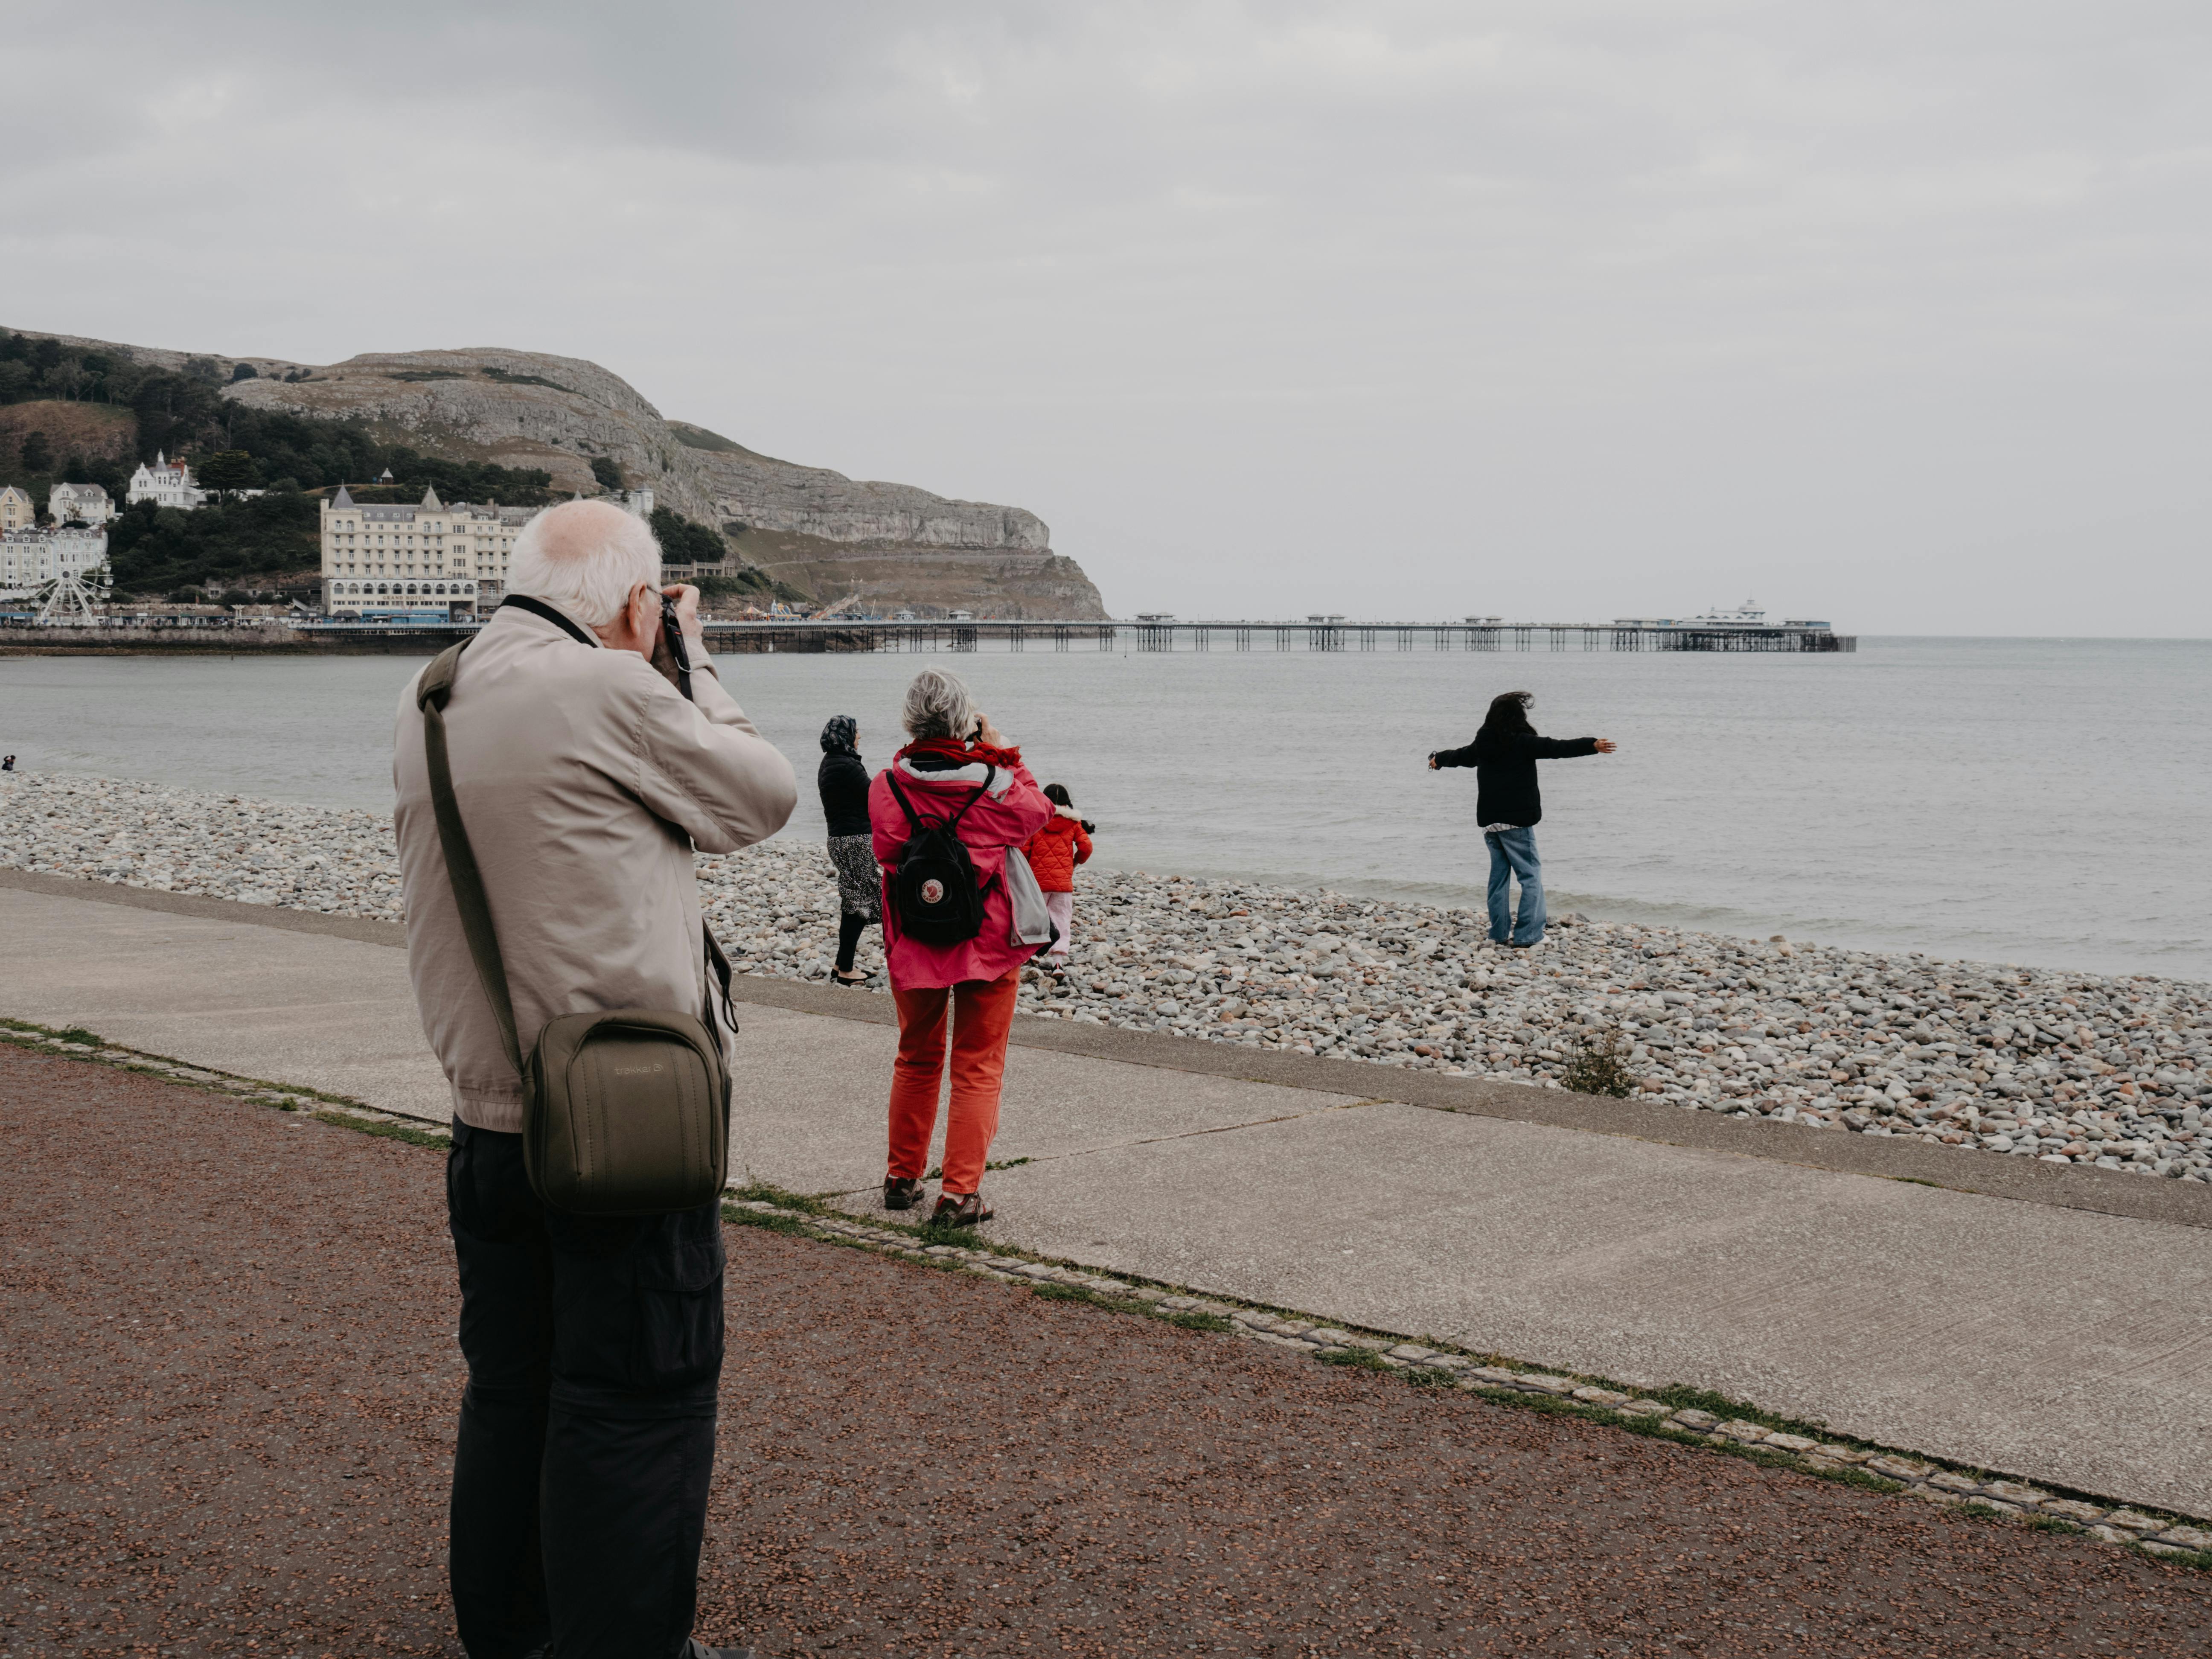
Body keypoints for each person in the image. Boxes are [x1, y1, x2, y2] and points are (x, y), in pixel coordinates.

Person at [391, 498, 797, 1659]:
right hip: (619, 1133)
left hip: (489, 1120)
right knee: (635, 1406)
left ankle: (513, 1636)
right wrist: (693, 658)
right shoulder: (608, 689)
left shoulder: (433, 695)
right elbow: (759, 796)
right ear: (634, 604)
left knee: (513, 1398)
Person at [870, 667, 1051, 1225]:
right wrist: (1004, 755)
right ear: (965, 720)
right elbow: (1037, 813)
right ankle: (958, 1194)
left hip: (917, 937)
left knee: (917, 1056)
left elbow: (887, 845)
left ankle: (903, 1178)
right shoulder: (992, 784)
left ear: (911, 721)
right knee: (977, 1065)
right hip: (986, 940)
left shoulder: (887, 784)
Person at [1428, 691, 1615, 950]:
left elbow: (1461, 756)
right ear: (1519, 717)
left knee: (1499, 878)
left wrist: (1439, 759)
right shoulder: (1523, 742)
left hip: (1491, 823)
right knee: (1530, 877)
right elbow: (1558, 748)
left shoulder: (1484, 742)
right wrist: (1592, 745)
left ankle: (1499, 933)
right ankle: (1529, 935)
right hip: (1516, 822)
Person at [818, 714, 879, 984]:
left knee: (854, 901)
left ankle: (843, 965)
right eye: (856, 732)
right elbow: (876, 796)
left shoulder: (829, 763)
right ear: (846, 735)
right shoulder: (847, 765)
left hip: (840, 840)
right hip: (856, 841)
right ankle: (846, 970)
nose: (859, 736)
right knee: (864, 902)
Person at [1022, 782, 1093, 967]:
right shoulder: (1074, 823)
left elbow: (1024, 850)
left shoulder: (1038, 819)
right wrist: (1076, 862)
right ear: (1067, 802)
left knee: (1037, 917)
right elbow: (1086, 847)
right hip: (1063, 884)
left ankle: (1035, 954)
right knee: (1061, 918)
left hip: (1037, 882)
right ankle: (1058, 962)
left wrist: (1027, 868)